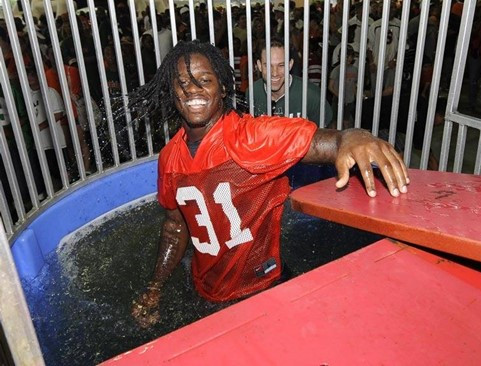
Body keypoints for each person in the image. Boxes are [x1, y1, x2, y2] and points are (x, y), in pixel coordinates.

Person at [127, 40, 409, 328]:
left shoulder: (252, 136)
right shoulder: (169, 158)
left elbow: (329, 141)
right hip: (205, 294)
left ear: (223, 88)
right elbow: (175, 227)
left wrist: (353, 136)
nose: (192, 89)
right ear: (171, 92)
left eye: (204, 80)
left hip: (264, 290)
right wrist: (154, 288)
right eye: (182, 82)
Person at [246, 38, 333, 126]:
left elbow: (328, 133)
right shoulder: (253, 92)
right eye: (268, 66)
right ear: (259, 66)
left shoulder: (311, 95)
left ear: (290, 65)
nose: (274, 73)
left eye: (281, 65)